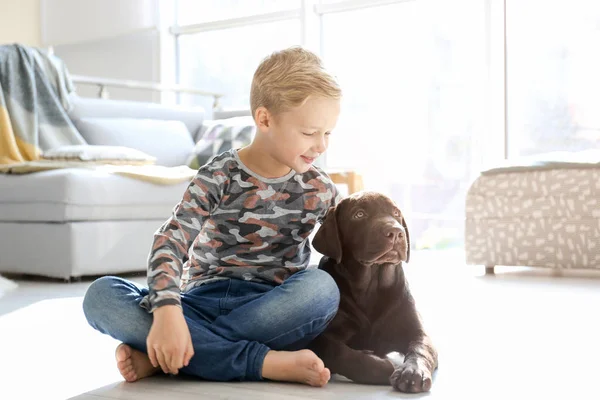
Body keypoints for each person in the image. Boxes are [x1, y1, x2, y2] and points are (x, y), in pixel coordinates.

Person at [82, 46, 343, 387]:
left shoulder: (320, 188)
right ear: (264, 119)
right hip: (199, 302)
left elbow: (348, 244)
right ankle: (260, 362)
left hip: (270, 309)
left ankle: (170, 357)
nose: (321, 146)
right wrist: (167, 312)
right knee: (101, 296)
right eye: (310, 133)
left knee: (322, 288)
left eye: (328, 133)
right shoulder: (219, 174)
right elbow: (170, 241)